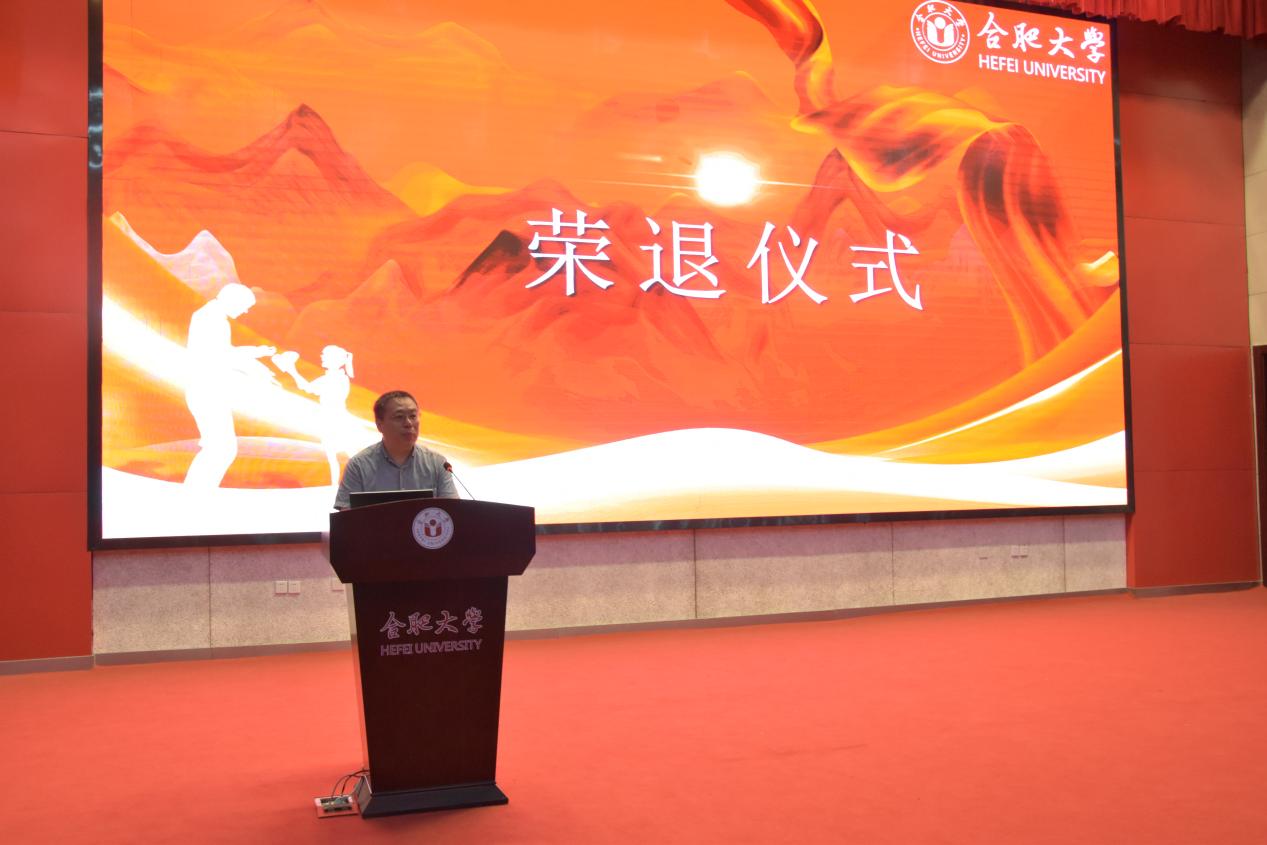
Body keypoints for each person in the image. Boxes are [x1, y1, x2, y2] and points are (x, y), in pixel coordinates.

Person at [183, 283, 276, 487]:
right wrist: (256, 368)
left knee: (220, 448)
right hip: (207, 391)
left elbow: (224, 351)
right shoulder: (211, 318)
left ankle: (196, 493)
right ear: (233, 300)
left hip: (208, 390)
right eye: (245, 306)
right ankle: (195, 494)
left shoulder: (211, 315)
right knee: (221, 449)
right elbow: (220, 356)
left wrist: (256, 353)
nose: (245, 311)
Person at [334, 390, 458, 509]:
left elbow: (453, 509)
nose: (408, 423)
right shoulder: (359, 465)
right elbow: (346, 516)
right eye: (399, 417)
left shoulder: (438, 464)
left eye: (413, 416)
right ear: (379, 425)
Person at [273, 345, 357, 486]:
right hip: (333, 418)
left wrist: (292, 370)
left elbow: (307, 388)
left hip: (334, 419)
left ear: (334, 359)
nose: (321, 357)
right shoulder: (337, 377)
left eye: (325, 355)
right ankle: (335, 486)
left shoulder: (333, 379)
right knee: (336, 454)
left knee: (341, 454)